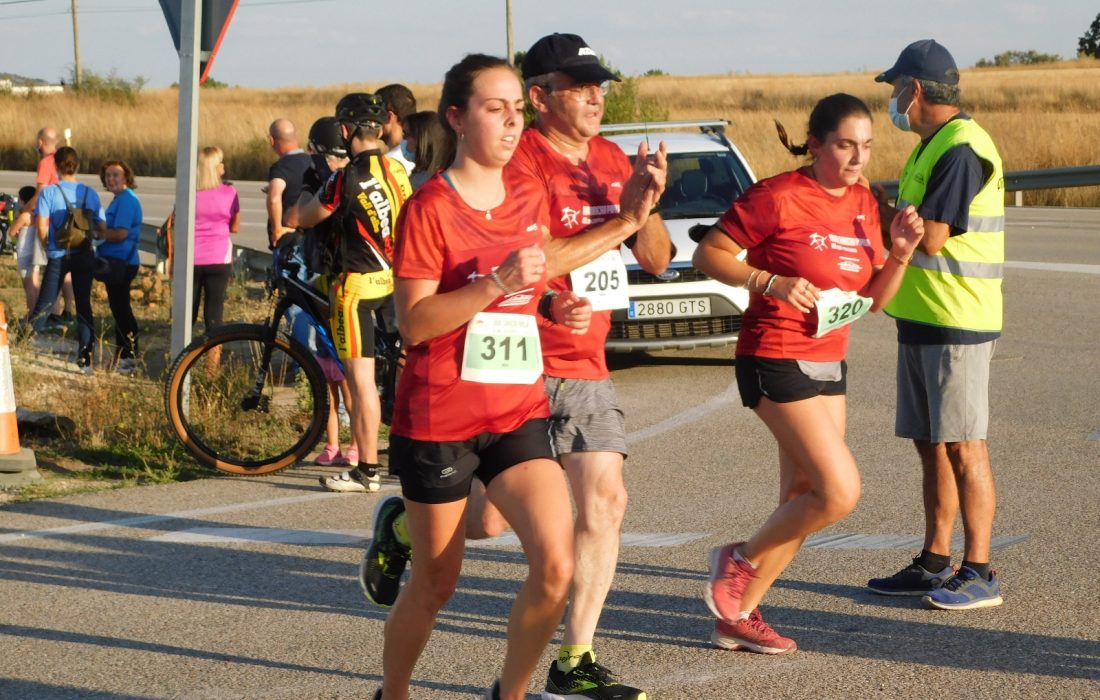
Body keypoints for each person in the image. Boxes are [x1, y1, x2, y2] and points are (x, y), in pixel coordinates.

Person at [693, 93, 925, 653]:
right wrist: (768, 282)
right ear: (815, 143)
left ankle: (740, 614)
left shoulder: (866, 202)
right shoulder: (779, 195)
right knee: (838, 491)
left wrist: (900, 253)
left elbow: (873, 301)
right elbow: (709, 255)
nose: (857, 158)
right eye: (845, 145)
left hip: (827, 358)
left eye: (866, 146)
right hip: (772, 353)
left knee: (802, 495)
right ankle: (738, 560)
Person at [866, 39, 1006, 610]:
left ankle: (980, 571)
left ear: (916, 90)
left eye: (896, 89)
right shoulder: (930, 146)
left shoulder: (962, 147)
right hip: (922, 317)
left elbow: (938, 234)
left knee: (966, 447)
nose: (894, 100)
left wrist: (873, 209)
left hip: (958, 322)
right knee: (932, 446)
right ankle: (933, 560)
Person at [299, 93, 412, 494]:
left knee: (361, 381)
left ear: (345, 131)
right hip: (394, 281)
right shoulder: (398, 170)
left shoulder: (343, 177)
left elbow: (303, 217)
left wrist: (309, 187)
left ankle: (366, 469)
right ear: (379, 129)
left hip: (356, 288)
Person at [26, 146, 106, 373]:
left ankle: (23, 345)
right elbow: (101, 226)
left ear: (57, 166)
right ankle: (85, 358)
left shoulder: (49, 193)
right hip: (84, 255)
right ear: (77, 165)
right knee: (83, 305)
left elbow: (42, 227)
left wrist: (47, 245)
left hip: (58, 254)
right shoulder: (89, 193)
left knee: (45, 302)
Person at [12, 127, 77, 324]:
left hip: (47, 221)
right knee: (63, 269)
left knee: (46, 269)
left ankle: (49, 315)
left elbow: (40, 194)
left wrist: (24, 214)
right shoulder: (63, 160)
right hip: (65, 221)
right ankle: (68, 311)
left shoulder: (46, 162)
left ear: (40, 142)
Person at [98, 160, 143, 374]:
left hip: (122, 262)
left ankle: (129, 357)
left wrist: (97, 234)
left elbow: (121, 233)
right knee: (119, 310)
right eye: (108, 176)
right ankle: (122, 356)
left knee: (122, 311)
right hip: (117, 261)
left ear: (126, 177)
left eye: (116, 175)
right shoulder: (119, 199)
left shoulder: (126, 200)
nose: (111, 179)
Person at [193, 147, 241, 332]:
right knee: (214, 312)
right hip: (218, 256)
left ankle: (182, 356)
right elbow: (235, 227)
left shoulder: (190, 192)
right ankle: (214, 360)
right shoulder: (229, 192)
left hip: (192, 257)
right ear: (217, 167)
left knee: (188, 310)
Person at [266, 118, 311, 248]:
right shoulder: (313, 162)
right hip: (313, 239)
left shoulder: (281, 167)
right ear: (295, 136)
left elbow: (274, 198)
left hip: (290, 242)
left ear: (272, 140)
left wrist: (277, 229)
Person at [13, 185, 46, 317]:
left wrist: (16, 217)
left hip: (24, 252)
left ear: (22, 200)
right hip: (36, 251)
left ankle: (31, 314)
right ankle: (37, 312)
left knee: (28, 287)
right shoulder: (38, 213)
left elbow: (12, 232)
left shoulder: (25, 215)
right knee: (35, 284)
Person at [401, 111, 448, 190]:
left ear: (422, 140)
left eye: (406, 134)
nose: (403, 139)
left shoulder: (420, 183)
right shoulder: (449, 174)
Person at [377, 83, 417, 174]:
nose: (372, 122)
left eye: (376, 114)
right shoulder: (421, 157)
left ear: (389, 117)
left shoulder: (388, 164)